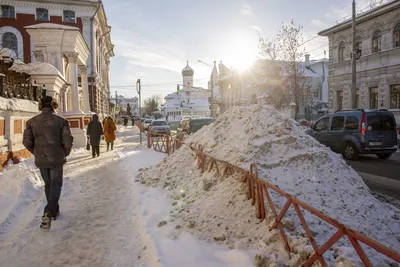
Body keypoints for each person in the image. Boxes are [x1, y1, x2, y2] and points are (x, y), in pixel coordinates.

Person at [23, 96, 74, 229]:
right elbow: (68, 140)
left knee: (48, 185)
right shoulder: (61, 121)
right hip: (56, 158)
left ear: (41, 105)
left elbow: (27, 142)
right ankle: (48, 211)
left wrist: (37, 152)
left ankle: (54, 211)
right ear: (54, 105)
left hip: (41, 159)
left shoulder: (31, 122)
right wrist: (64, 152)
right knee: (56, 185)